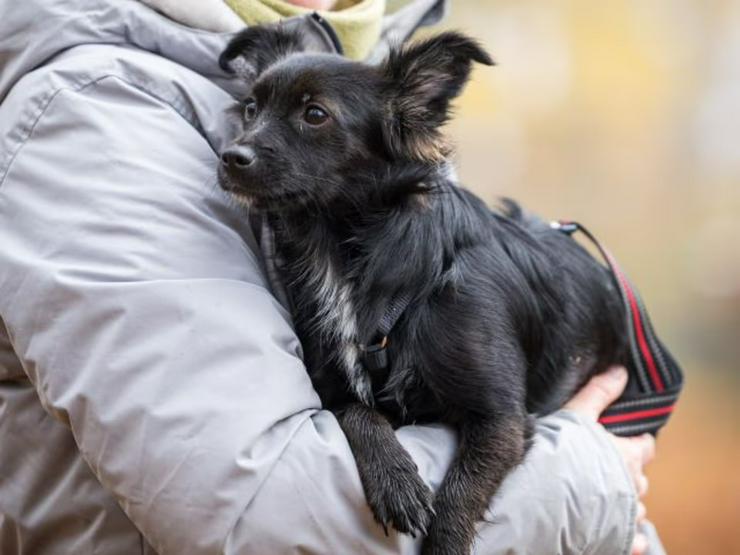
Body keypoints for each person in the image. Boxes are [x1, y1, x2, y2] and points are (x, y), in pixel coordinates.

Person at [0, 0, 664, 553]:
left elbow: (495, 420)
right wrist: (591, 476)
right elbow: (262, 512)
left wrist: (616, 518)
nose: (248, 140)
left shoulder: (381, 129)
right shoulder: (95, 111)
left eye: (311, 117)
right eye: (253, 113)